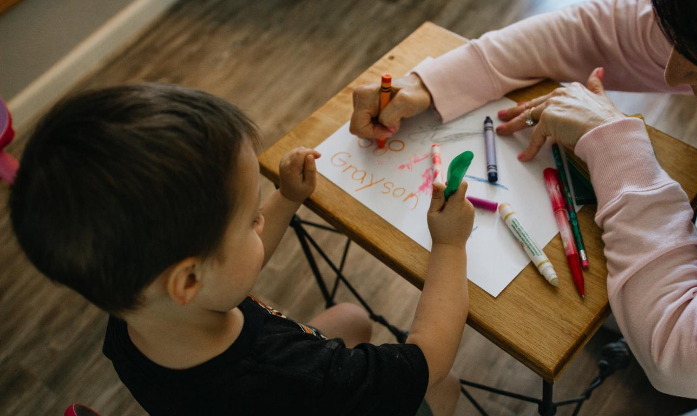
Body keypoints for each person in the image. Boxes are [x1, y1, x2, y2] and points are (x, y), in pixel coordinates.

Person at [349, 0, 697, 415]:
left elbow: (682, 355)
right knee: (608, 299)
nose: (672, 71)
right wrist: (432, 82)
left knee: (630, 315)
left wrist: (616, 145)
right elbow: (602, 30)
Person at [9, 83, 474, 416]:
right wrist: (450, 243)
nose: (261, 221)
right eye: (253, 220)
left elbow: (225, 270)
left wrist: (286, 198)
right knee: (445, 387)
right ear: (188, 279)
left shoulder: (134, 309)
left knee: (352, 318)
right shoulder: (293, 373)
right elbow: (429, 358)